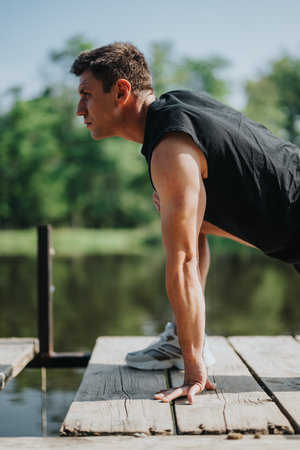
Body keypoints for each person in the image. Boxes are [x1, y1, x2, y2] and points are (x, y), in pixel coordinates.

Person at [71, 42, 300, 406]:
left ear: (121, 91)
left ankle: (186, 346)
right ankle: (182, 337)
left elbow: (183, 263)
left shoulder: (169, 149)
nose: (80, 109)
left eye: (86, 95)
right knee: (178, 214)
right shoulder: (178, 108)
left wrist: (194, 371)